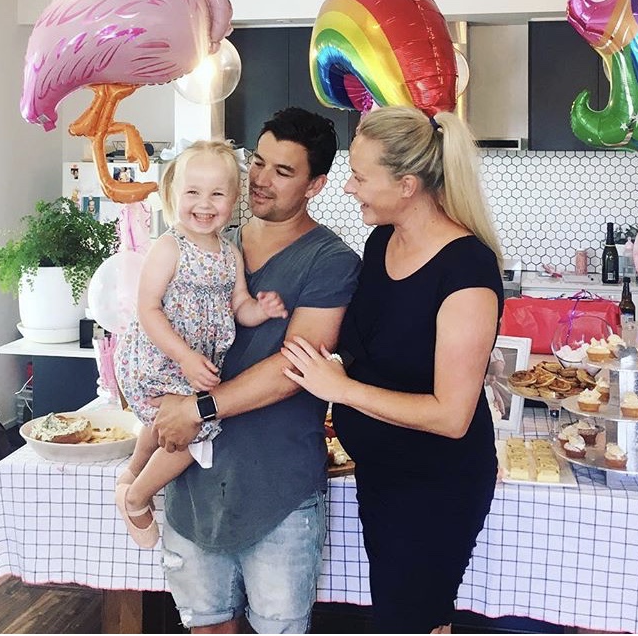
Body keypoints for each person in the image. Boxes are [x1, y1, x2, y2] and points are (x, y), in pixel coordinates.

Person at [281, 105, 504, 634]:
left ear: (407, 185)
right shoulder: (382, 241)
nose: (348, 188)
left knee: (410, 620)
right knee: (407, 617)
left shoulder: (466, 270)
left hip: (436, 486)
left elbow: (451, 416)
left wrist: (342, 389)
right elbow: (373, 348)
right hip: (381, 474)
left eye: (360, 177)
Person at [150, 107, 362, 633]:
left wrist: (197, 409)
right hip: (194, 485)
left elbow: (296, 366)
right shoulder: (209, 242)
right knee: (206, 626)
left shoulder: (330, 260)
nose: (261, 180)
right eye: (258, 163)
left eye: (283, 171)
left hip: (277, 489)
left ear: (315, 185)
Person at [114, 140, 288, 549]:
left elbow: (239, 305)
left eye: (217, 194)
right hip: (159, 359)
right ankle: (137, 498)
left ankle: (130, 476)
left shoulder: (230, 253)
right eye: (193, 192)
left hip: (192, 364)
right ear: (174, 194)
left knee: (167, 419)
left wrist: (260, 310)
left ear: (234, 199)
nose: (204, 204)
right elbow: (148, 309)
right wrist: (185, 357)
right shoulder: (169, 247)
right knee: (198, 429)